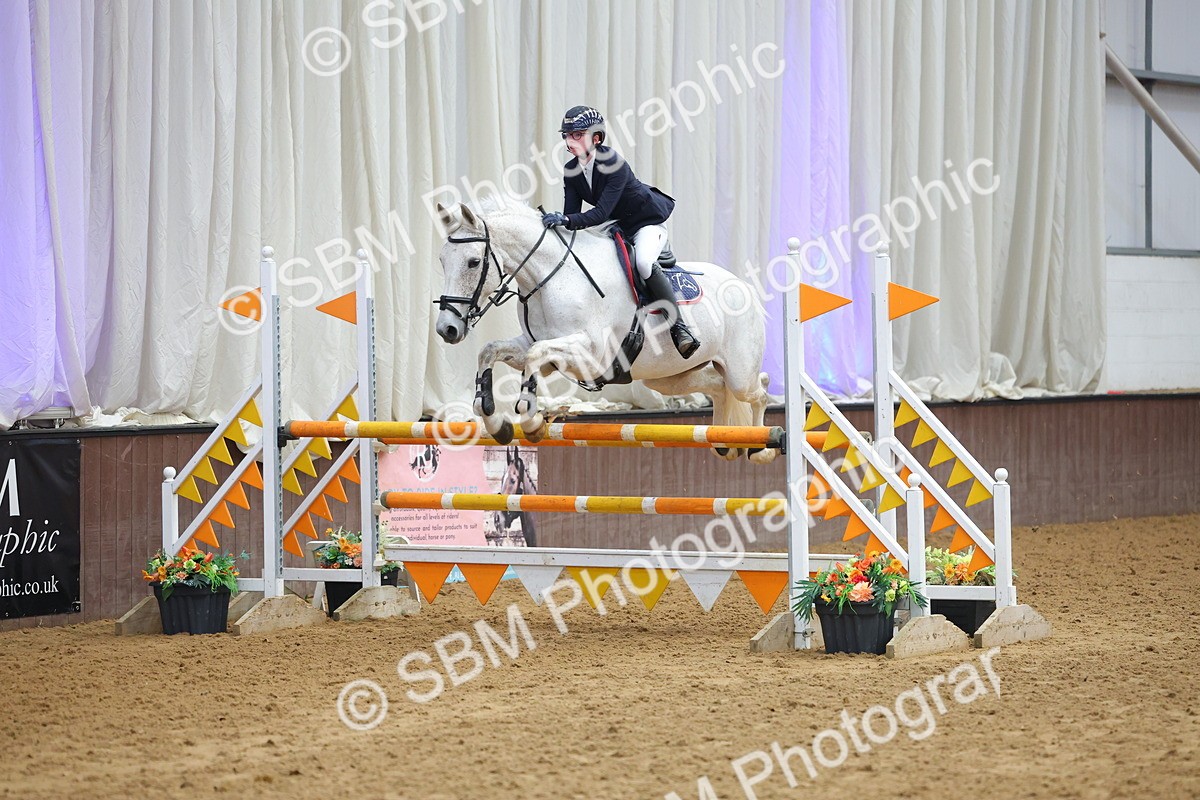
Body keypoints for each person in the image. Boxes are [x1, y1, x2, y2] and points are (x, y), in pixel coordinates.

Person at [541, 105, 700, 359]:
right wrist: (558, 223)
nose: (570, 141)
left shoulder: (613, 163)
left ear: (596, 138)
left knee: (645, 263)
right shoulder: (571, 170)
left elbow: (599, 213)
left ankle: (680, 328)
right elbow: (572, 212)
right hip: (616, 225)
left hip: (645, 223)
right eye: (567, 135)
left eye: (577, 134)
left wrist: (566, 219)